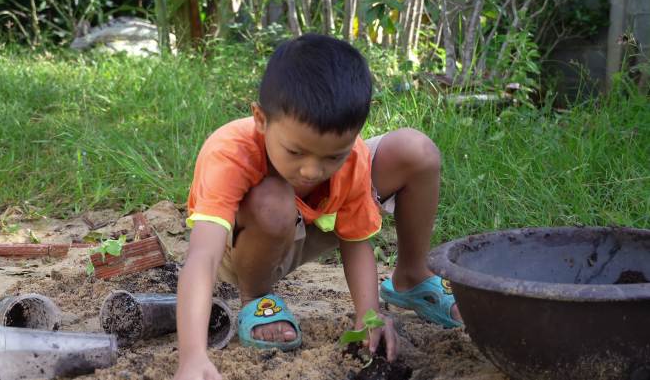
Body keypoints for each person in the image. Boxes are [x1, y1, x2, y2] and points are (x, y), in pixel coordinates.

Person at [174, 34, 463, 380]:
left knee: (417, 149)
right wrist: (192, 356)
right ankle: (257, 299)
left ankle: (413, 276)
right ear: (261, 119)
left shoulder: (352, 158)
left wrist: (369, 316)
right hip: (240, 247)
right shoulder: (229, 153)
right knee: (274, 200)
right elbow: (203, 255)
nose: (312, 170)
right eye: (295, 152)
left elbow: (357, 243)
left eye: (332, 156)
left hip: (305, 228)